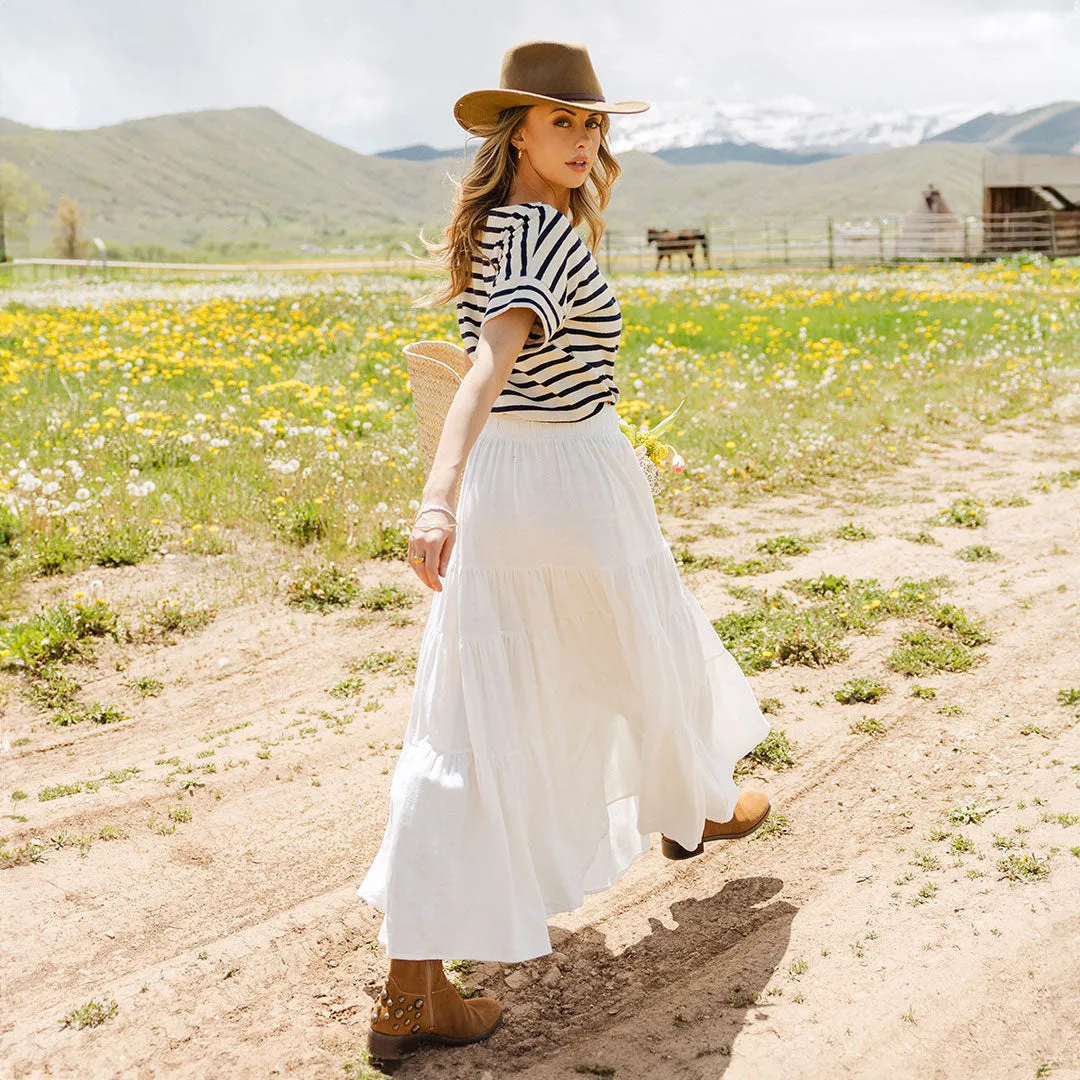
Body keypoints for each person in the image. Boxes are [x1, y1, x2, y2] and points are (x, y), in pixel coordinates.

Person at [356, 39, 773, 1062]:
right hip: (555, 486)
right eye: (562, 122)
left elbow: (506, 368)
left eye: (593, 123)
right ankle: (693, 806)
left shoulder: (505, 226)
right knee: (637, 645)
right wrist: (436, 497)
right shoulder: (538, 236)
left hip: (527, 480)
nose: (584, 139)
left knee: (476, 713)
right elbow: (486, 366)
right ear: (518, 133)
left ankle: (418, 981)